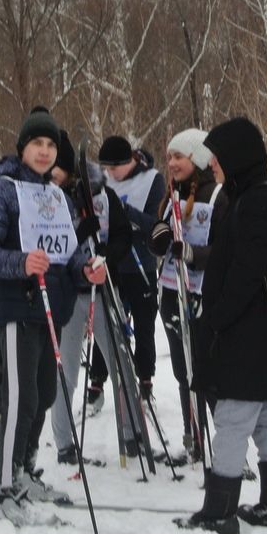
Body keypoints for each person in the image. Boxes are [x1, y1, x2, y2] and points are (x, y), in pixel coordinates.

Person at [0, 107, 107, 525]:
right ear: (22, 148)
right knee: (20, 399)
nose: (44, 152)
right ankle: (8, 483)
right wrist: (21, 262)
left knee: (45, 394)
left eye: (50, 145)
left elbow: (66, 256)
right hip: (18, 308)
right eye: (37, 144)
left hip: (54, 308)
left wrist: (86, 270)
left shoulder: (57, 196)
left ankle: (27, 471)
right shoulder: (2, 191)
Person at [176, 117, 267, 534]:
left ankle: (219, 511)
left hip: (250, 330)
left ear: (238, 158)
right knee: (266, 414)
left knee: (232, 416)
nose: (214, 167)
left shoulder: (258, 202)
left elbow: (246, 271)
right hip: (266, 327)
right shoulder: (252, 196)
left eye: (218, 159)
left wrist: (216, 319)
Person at [49, 132, 131, 464]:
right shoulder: (47, 198)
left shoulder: (103, 195)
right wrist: (79, 234)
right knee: (66, 371)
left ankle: (132, 434)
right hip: (71, 294)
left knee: (122, 364)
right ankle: (65, 443)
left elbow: (123, 237)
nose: (51, 172)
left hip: (103, 290)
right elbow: (51, 248)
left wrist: (106, 256)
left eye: (57, 166)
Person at [149, 128, 221, 462]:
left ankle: (228, 446)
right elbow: (159, 233)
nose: (172, 163)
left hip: (203, 295)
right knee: (183, 372)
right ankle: (193, 438)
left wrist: (190, 253)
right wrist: (159, 237)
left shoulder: (218, 195)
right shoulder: (171, 195)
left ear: (196, 158)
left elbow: (225, 251)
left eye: (178, 156)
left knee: (206, 372)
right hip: (171, 291)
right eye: (169, 158)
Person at [89, 136, 165, 405]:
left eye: (114, 168)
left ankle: (145, 379)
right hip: (111, 263)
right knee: (106, 323)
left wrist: (126, 212)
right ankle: (97, 380)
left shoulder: (153, 180)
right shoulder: (104, 180)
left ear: (128, 161)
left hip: (140, 263)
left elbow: (155, 225)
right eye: (106, 169)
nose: (109, 174)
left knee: (144, 325)